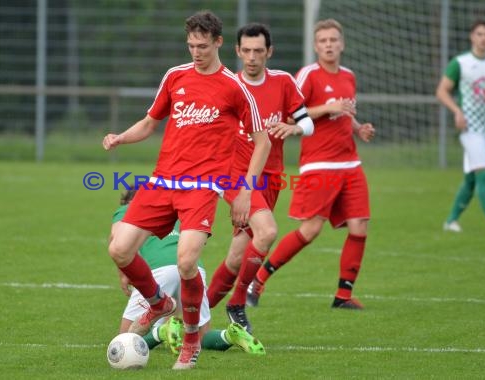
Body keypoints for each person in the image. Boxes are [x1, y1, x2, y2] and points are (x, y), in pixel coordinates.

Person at [102, 10, 270, 370]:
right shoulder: (175, 76)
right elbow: (150, 123)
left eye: (203, 46)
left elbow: (262, 142)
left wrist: (244, 190)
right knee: (119, 250)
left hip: (202, 187)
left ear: (219, 43)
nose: (196, 52)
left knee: (187, 262)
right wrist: (121, 138)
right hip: (162, 182)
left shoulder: (234, 87)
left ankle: (191, 340)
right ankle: (159, 303)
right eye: (191, 45)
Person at [247, 18, 376, 310]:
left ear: (341, 44)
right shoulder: (307, 75)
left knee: (359, 227)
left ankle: (343, 295)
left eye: (333, 40)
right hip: (319, 164)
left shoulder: (349, 76)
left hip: (350, 162)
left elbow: (344, 112)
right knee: (310, 230)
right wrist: (328, 107)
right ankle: (259, 278)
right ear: (316, 46)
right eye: (323, 41)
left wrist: (358, 128)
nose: (329, 45)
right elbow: (292, 115)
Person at [205, 23, 314, 333]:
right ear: (237, 51)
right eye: (246, 51)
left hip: (271, 179)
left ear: (269, 52)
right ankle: (238, 302)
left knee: (237, 257)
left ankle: (187, 315)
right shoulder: (227, 85)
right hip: (236, 177)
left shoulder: (283, 82)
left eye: (258, 51)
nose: (252, 57)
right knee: (266, 232)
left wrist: (294, 128)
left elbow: (308, 124)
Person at [110, 190, 265, 355]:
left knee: (124, 340)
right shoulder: (170, 210)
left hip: (159, 270)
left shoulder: (131, 209)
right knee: (202, 335)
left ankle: (161, 332)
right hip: (192, 269)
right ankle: (229, 335)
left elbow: (116, 237)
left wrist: (124, 273)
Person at [436, 19, 485, 234]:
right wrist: (457, 111)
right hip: (468, 126)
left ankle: (451, 221)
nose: (483, 38)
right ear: (471, 36)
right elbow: (441, 91)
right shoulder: (461, 63)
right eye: (479, 34)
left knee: (472, 178)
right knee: (483, 174)